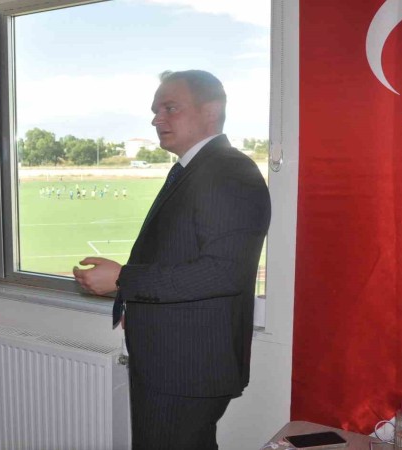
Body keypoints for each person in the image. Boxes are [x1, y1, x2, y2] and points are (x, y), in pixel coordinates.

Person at [73, 70, 270, 450]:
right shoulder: (197, 168)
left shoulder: (228, 171)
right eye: (155, 110)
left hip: (186, 369)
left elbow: (224, 272)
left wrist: (124, 279)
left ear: (211, 111)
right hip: (172, 363)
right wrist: (133, 296)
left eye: (170, 108)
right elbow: (179, 255)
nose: (156, 119)